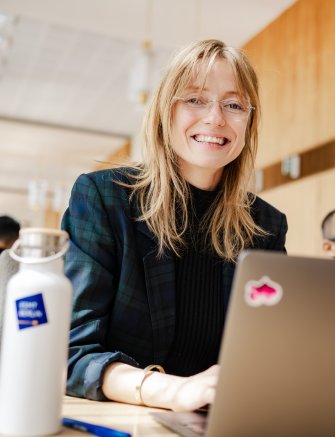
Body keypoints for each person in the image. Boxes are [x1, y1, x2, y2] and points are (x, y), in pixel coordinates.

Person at [62, 39, 288, 412]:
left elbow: (269, 355)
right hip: (126, 421)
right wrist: (174, 391)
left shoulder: (265, 226)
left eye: (233, 105)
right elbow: (71, 352)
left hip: (220, 423)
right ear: (166, 111)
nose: (216, 117)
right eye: (196, 99)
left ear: (249, 121)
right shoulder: (103, 199)